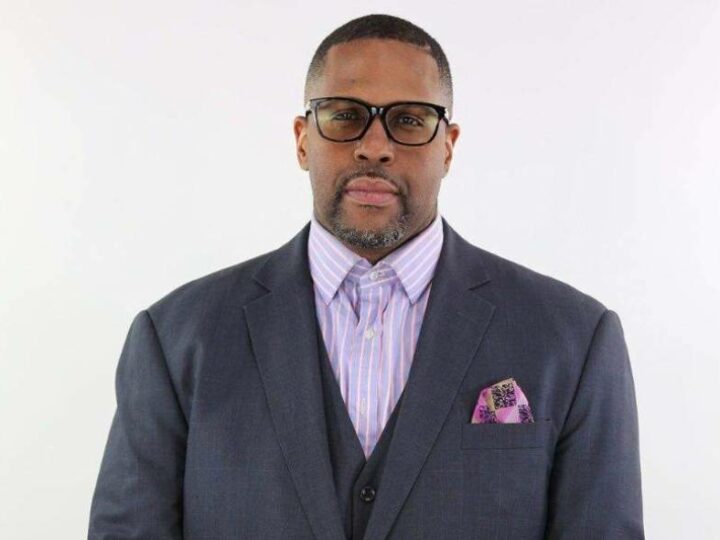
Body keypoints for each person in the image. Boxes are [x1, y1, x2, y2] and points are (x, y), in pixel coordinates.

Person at [88, 13, 644, 540]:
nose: (374, 147)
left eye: (409, 120)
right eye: (344, 115)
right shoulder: (177, 338)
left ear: (447, 148)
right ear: (303, 139)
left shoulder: (572, 339)